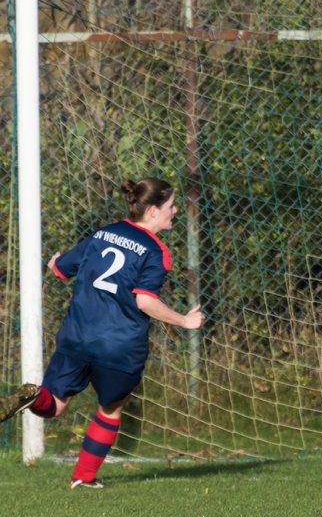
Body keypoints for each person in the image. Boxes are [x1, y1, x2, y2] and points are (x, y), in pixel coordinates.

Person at [0, 178, 205, 488]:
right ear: (152, 211)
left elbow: (60, 268)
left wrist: (56, 261)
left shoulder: (103, 233)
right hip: (119, 345)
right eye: (170, 206)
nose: (174, 211)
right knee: (110, 409)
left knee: (54, 404)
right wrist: (184, 321)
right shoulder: (156, 251)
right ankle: (83, 477)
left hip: (76, 336)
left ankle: (31, 394)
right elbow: (145, 300)